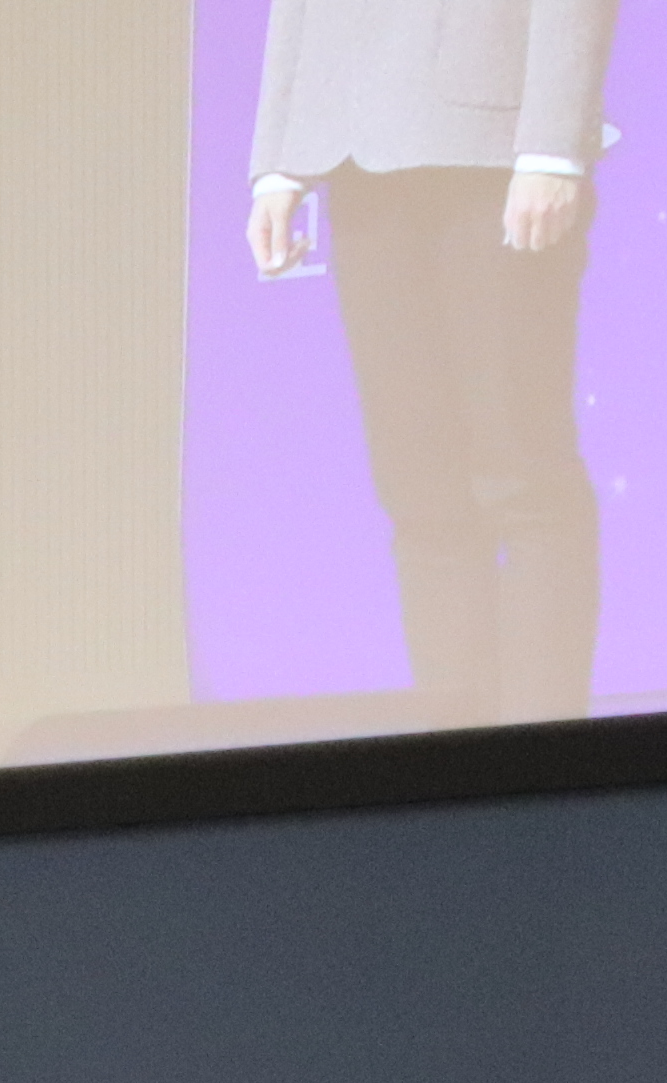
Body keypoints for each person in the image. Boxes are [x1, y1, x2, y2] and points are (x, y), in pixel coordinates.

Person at [248, 0, 620, 724]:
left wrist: (553, 143)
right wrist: (278, 161)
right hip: (357, 150)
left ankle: (546, 760)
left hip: (493, 150)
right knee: (419, 492)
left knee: (523, 478)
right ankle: (456, 758)